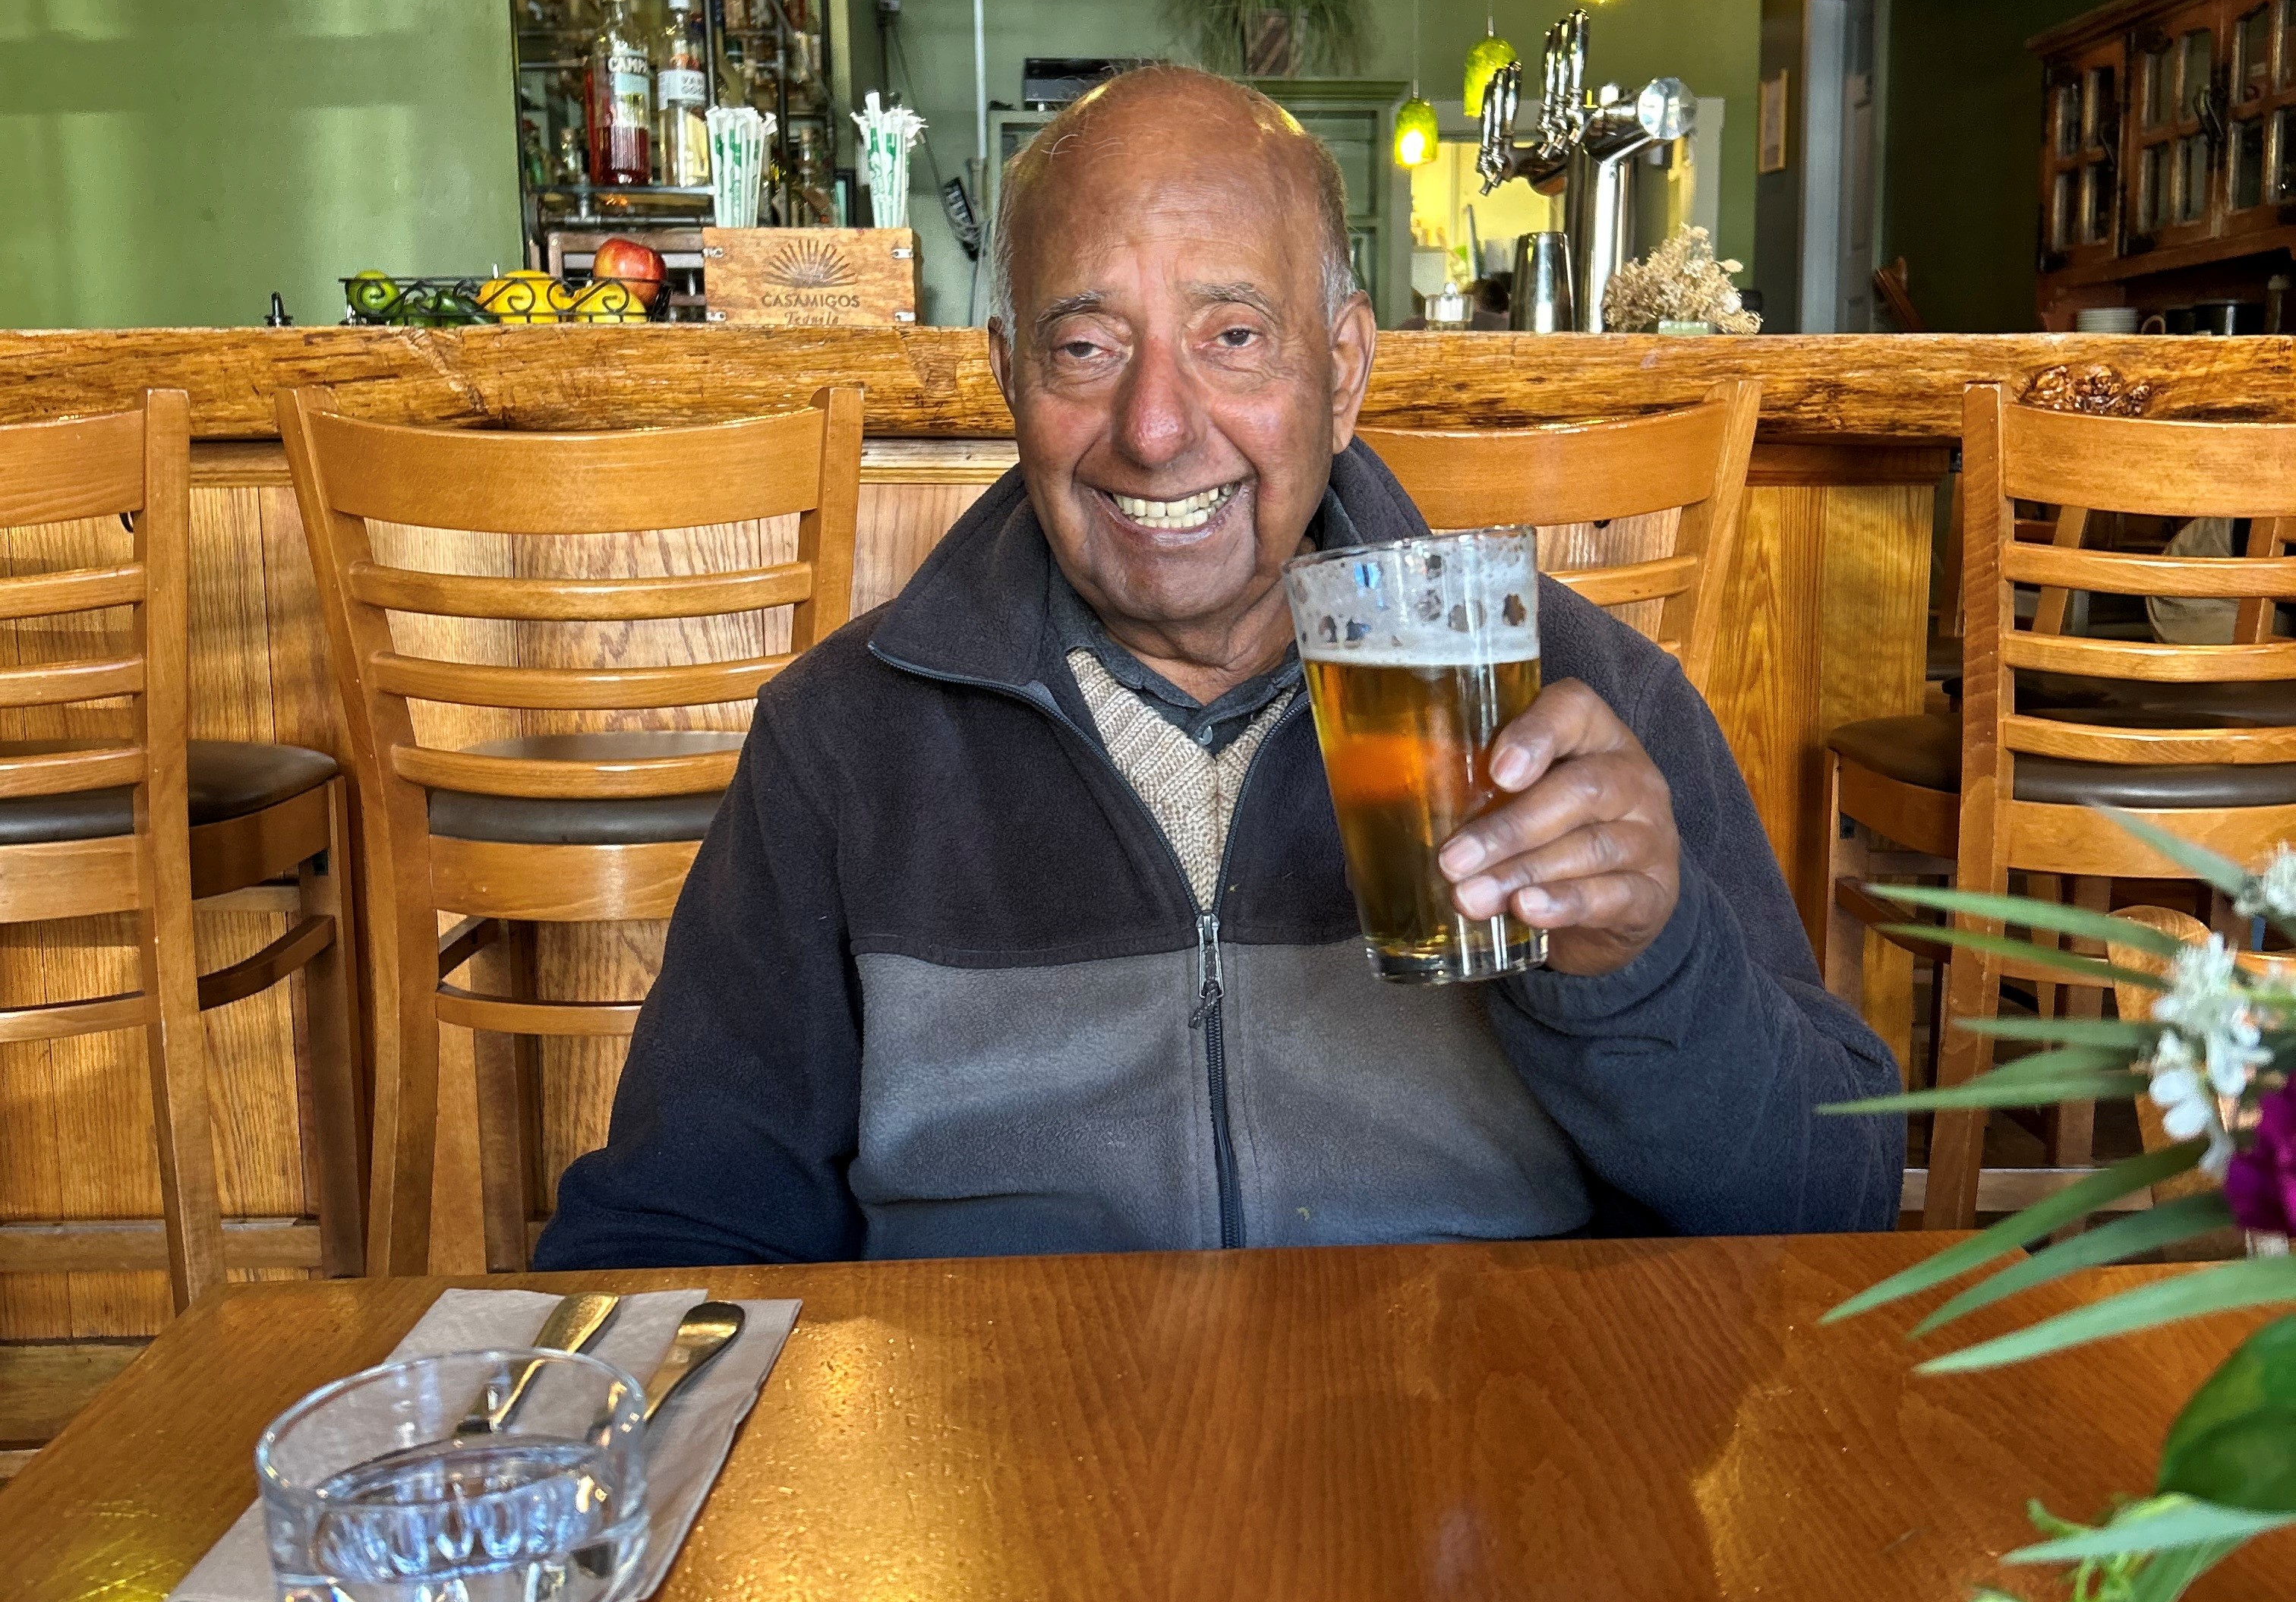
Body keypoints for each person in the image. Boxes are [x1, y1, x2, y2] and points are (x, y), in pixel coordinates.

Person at [538, 66, 1900, 1266]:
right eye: (1086, 345)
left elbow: (1827, 1203)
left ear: (1345, 366)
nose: (1154, 424)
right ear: (1007, 375)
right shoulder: (840, 745)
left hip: (1474, 1469)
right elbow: (676, 1235)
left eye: (1232, 336)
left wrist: (1641, 969)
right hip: (1008, 1483)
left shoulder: (1577, 701)